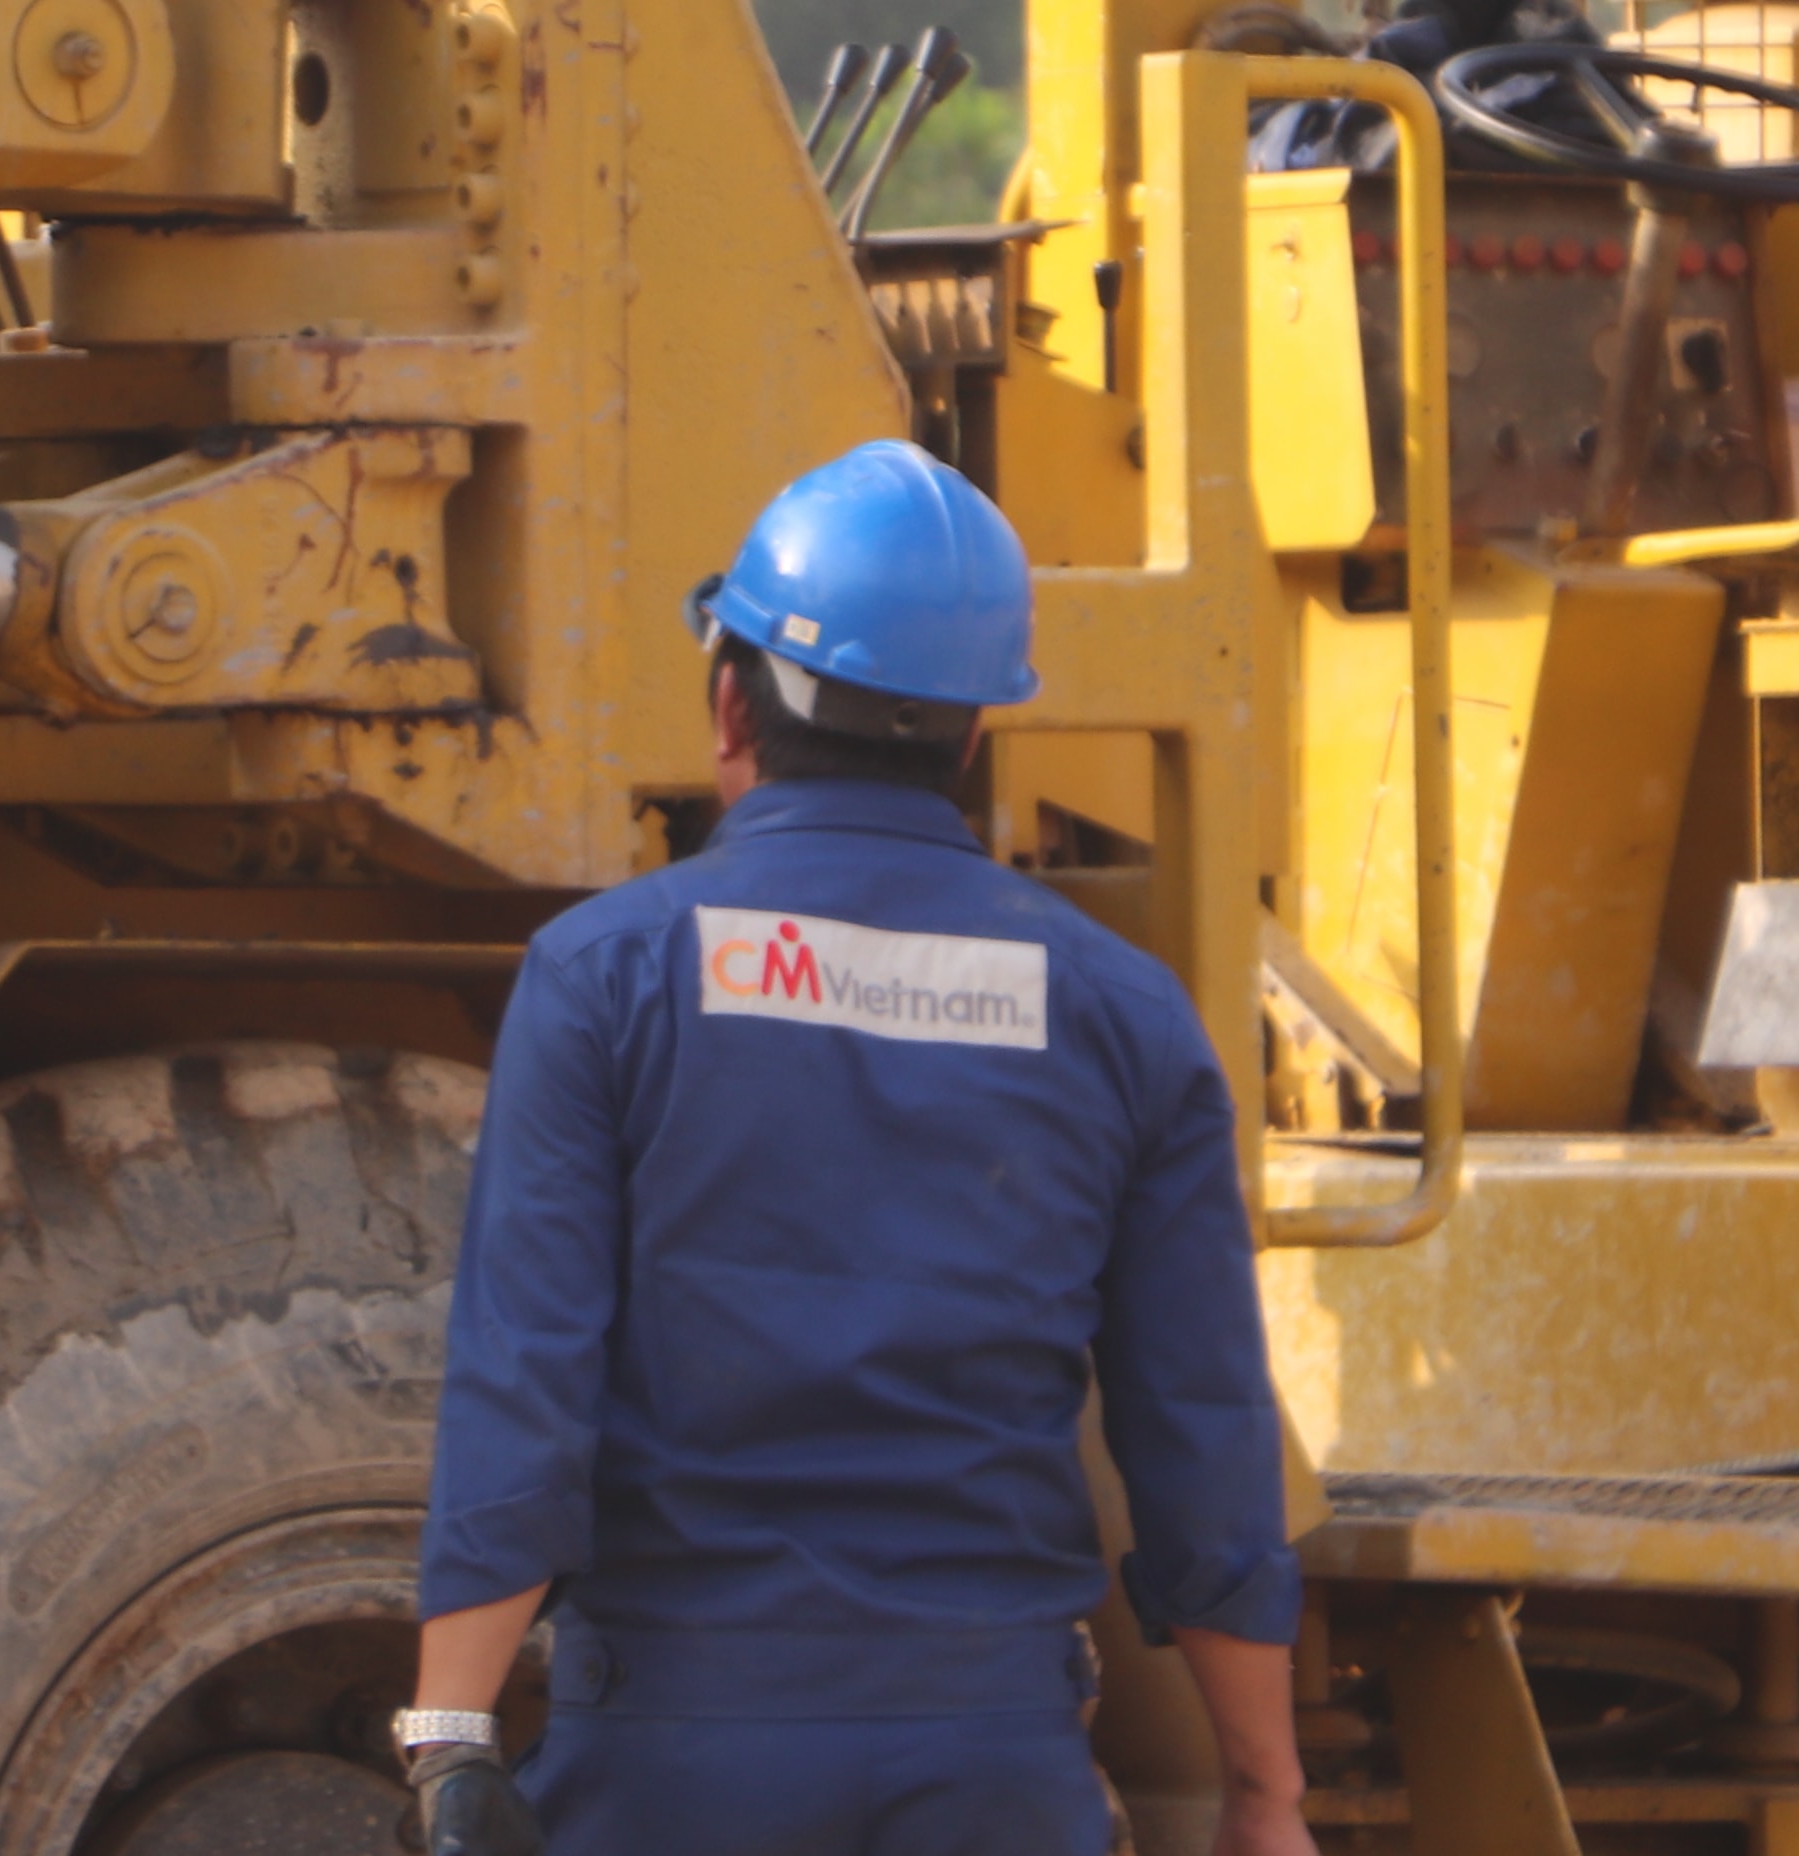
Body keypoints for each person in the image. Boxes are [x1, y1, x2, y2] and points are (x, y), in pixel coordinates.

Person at [398, 444, 1314, 1856]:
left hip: (672, 1765)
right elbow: (1200, 1430)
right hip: (992, 1764)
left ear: (727, 705)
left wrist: (453, 1739)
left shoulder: (603, 978)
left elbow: (528, 1377)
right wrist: (1265, 1791)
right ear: (970, 736)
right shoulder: (1125, 1014)